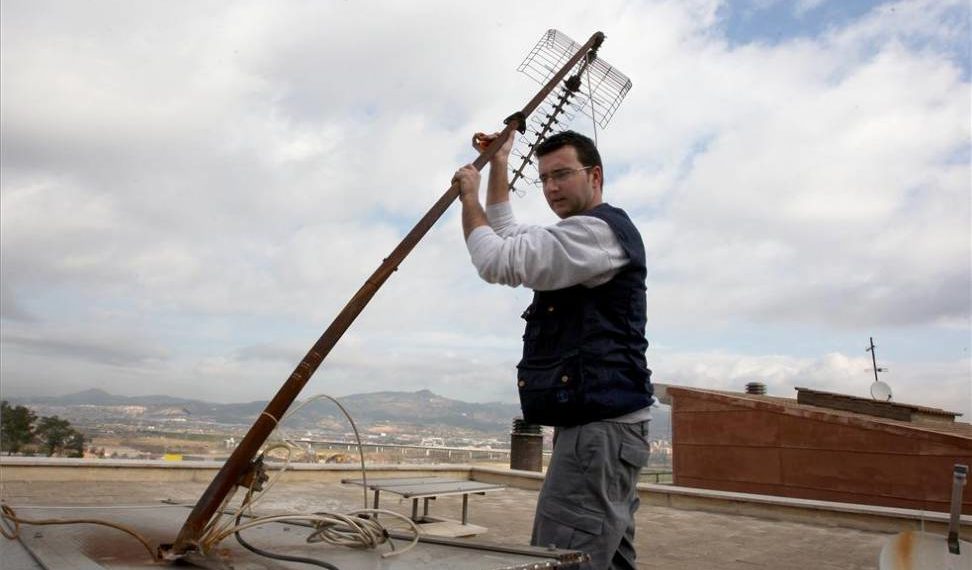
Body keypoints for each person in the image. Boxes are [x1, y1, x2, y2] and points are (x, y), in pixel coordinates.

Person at [452, 130, 654, 570]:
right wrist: (500, 162)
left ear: (595, 175)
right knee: (606, 558)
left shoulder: (596, 235)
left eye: (562, 174)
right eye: (544, 179)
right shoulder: (585, 235)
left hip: (598, 431)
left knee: (560, 558)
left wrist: (468, 197)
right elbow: (507, 231)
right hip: (606, 429)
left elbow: (496, 260)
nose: (551, 188)